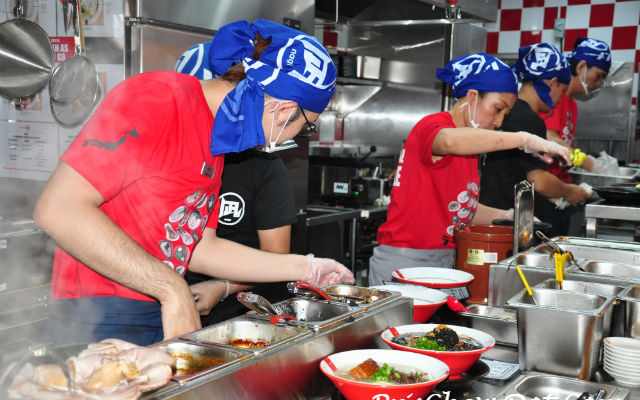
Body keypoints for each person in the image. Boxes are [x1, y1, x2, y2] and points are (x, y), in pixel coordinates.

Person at [33, 19, 353, 346]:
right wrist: (171, 289)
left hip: (154, 305)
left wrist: (306, 268)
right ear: (284, 109)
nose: (298, 137)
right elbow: (58, 209)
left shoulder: (216, 138)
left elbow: (199, 247)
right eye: (306, 127)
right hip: (97, 315)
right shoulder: (157, 98)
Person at [368, 53, 572, 286]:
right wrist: (525, 139)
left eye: (505, 114)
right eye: (497, 109)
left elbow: (462, 211)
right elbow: (449, 141)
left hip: (444, 259)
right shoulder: (432, 126)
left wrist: (508, 217)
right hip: (406, 260)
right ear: (472, 97)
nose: (499, 122)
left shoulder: (470, 152)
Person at [175, 41, 297, 324]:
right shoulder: (175, 153)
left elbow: (275, 256)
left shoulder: (262, 164)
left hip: (236, 314)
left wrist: (223, 287)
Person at [480, 43, 592, 236]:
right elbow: (539, 181)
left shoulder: (507, 113)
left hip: (490, 212)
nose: (561, 98)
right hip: (510, 221)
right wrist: (569, 191)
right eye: (562, 89)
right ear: (552, 83)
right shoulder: (531, 120)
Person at [538, 37, 611, 235]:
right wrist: (586, 162)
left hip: (561, 191)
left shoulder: (572, 104)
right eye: (598, 75)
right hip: (546, 192)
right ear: (581, 67)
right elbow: (549, 137)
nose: (598, 83)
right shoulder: (557, 97)